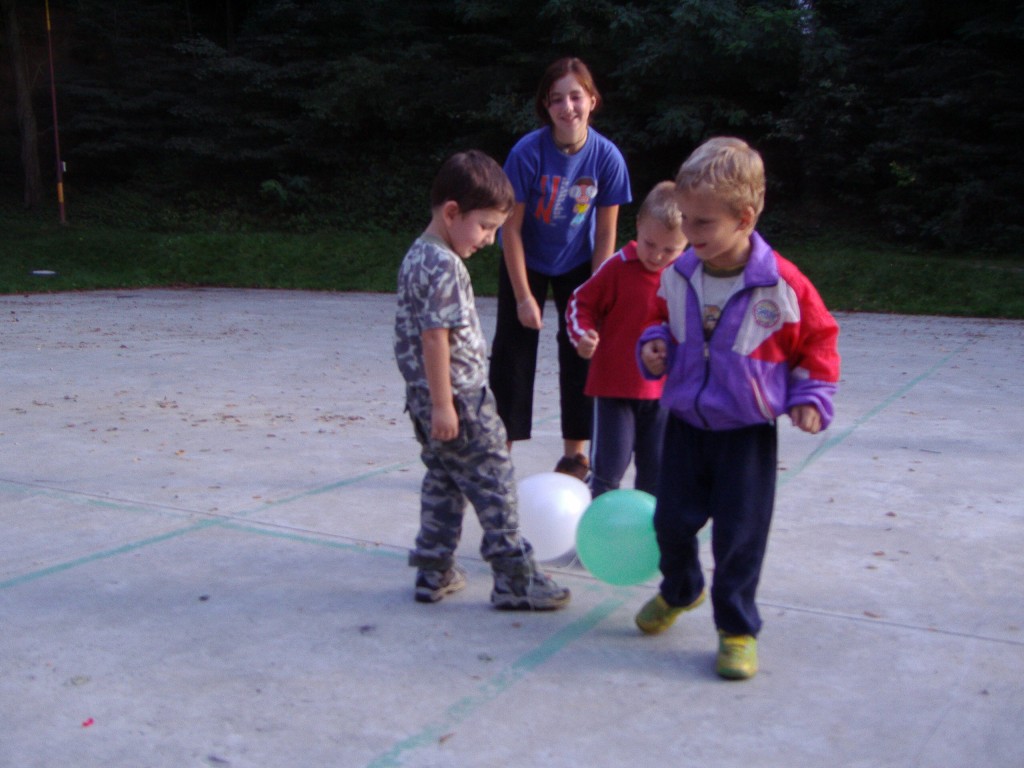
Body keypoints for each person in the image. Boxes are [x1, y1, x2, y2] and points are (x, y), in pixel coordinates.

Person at [633, 137, 841, 679]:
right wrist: (654, 345)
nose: (689, 231)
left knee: (739, 537)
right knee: (669, 522)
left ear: (744, 218)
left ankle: (736, 628)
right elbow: (660, 321)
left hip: (745, 434)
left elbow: (819, 341)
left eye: (702, 222)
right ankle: (682, 590)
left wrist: (811, 397)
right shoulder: (680, 274)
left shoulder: (781, 284)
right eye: (685, 218)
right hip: (685, 425)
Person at [393, 149, 571, 611]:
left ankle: (433, 569)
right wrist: (445, 405)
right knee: (496, 482)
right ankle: (515, 578)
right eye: (486, 227)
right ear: (453, 213)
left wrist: (432, 404)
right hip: (460, 400)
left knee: (445, 481)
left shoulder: (418, 254)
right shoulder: (444, 266)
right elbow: (435, 338)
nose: (491, 240)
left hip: (426, 399)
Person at [489, 57, 633, 480]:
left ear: (592, 100)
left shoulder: (607, 157)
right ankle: (499, 452)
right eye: (556, 99)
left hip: (578, 260)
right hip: (526, 257)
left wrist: (597, 297)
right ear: (546, 107)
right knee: (513, 352)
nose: (567, 107)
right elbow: (510, 230)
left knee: (581, 348)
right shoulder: (527, 153)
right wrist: (523, 297)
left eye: (575, 97)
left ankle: (575, 455)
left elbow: (605, 235)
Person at [566, 181, 687, 497]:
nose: (657, 255)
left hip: (663, 394)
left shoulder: (686, 276)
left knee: (656, 474)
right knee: (608, 473)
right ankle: (599, 526)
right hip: (614, 389)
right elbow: (581, 302)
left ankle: (652, 529)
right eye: (650, 244)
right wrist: (582, 335)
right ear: (638, 226)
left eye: (670, 250)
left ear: (687, 241)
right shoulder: (617, 267)